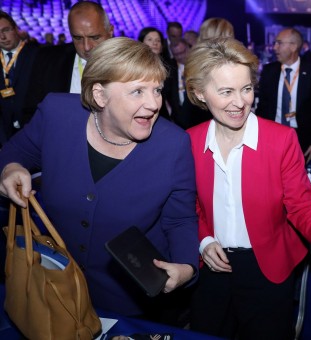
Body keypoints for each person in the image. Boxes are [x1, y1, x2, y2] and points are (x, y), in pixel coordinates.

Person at [0, 37, 199, 318]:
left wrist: (186, 267)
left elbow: (180, 219)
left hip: (128, 301)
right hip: (52, 288)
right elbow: (13, 152)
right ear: (100, 95)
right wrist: (11, 168)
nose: (154, 103)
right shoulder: (57, 115)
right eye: (137, 91)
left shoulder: (174, 145)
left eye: (156, 90)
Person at [184, 37, 311, 339]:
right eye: (226, 92)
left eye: (246, 89)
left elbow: (301, 204)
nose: (239, 102)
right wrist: (203, 241)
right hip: (211, 267)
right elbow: (188, 206)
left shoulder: (281, 140)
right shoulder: (188, 141)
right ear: (200, 93)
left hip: (267, 268)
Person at [24, 1, 113, 124]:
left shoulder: (130, 62)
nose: (87, 47)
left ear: (110, 31)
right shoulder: (47, 59)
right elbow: (32, 111)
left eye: (95, 37)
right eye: (78, 38)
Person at [255, 27, 311, 163]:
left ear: (293, 46)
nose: (274, 47)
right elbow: (262, 108)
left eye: (279, 43)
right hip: (271, 136)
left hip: (301, 139)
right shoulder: (269, 71)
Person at [0, 11, 38, 144]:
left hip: (32, 129)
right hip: (4, 134)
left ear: (16, 29)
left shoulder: (37, 54)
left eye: (6, 30)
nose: (2, 37)